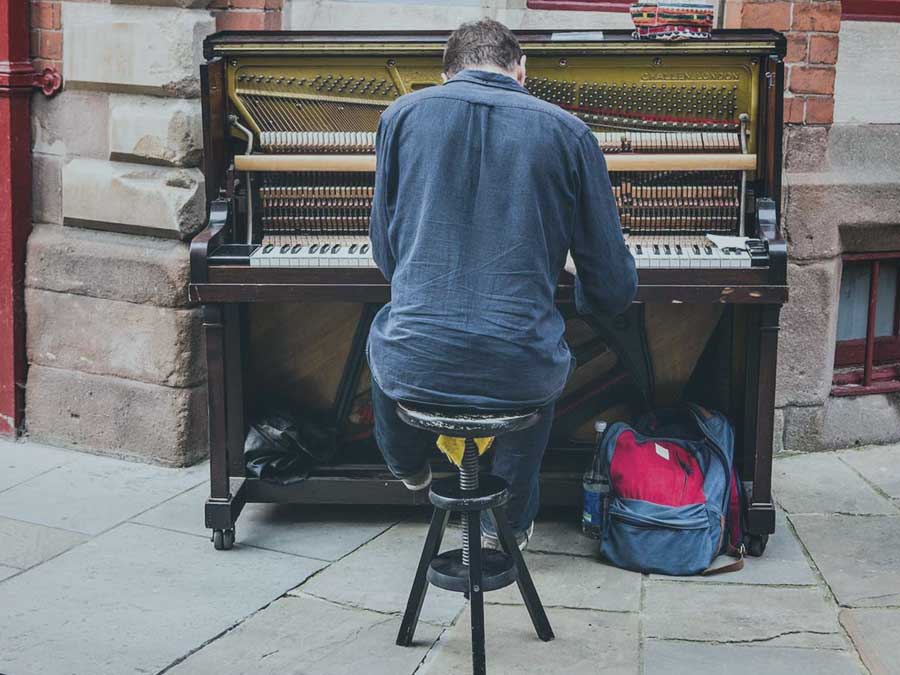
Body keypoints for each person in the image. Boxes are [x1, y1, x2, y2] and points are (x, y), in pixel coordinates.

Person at [367, 19, 637, 549]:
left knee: (389, 335)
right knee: (529, 347)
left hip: (418, 362)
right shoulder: (569, 131)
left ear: (446, 73)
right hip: (519, 370)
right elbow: (611, 289)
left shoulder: (399, 117)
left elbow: (386, 257)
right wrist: (566, 277)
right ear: (522, 70)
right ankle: (506, 522)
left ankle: (408, 466)